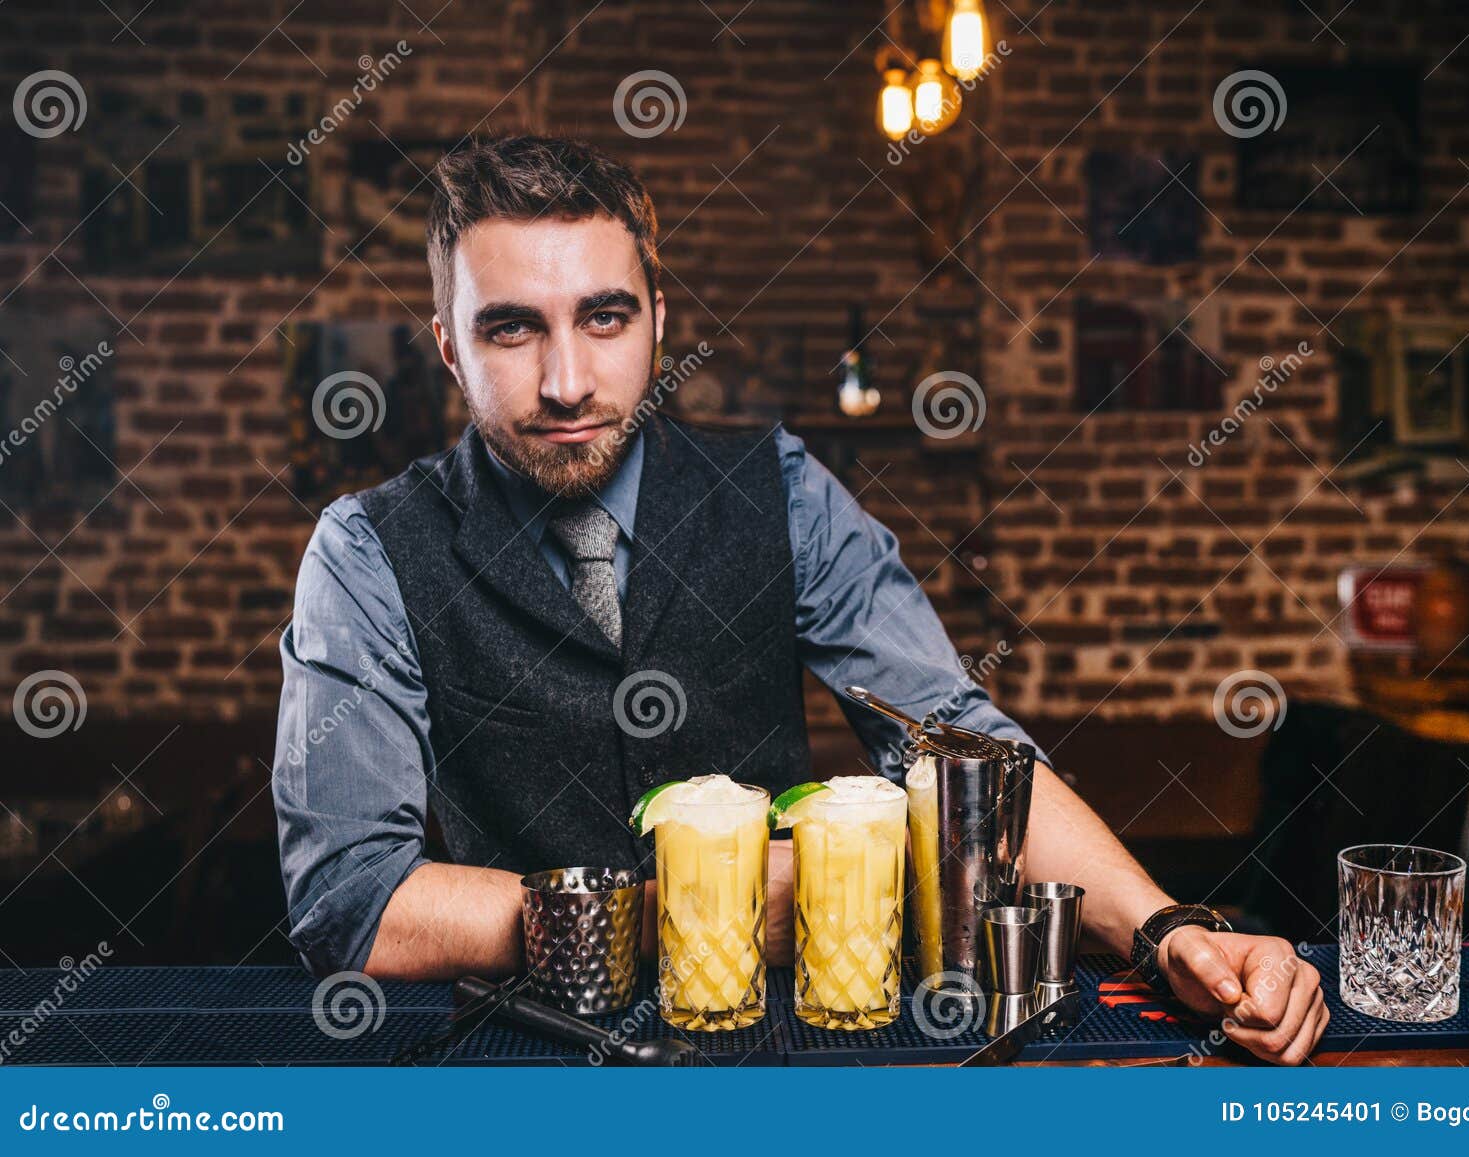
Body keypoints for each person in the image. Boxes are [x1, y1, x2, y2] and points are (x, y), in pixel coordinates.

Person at [271, 135, 1328, 1065]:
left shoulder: (778, 492)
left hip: (787, 1052)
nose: (565, 381)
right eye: (511, 330)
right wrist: (688, 909)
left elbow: (953, 745)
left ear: (657, 317)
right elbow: (351, 902)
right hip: (519, 1058)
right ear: (450, 345)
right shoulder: (367, 552)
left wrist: (1164, 927)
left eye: (604, 317)